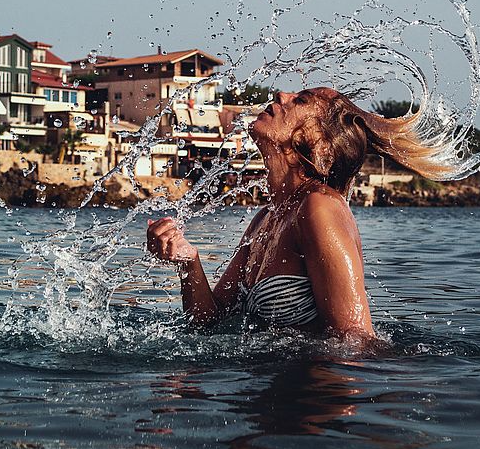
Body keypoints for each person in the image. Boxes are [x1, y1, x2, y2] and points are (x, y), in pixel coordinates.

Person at [147, 87, 452, 340]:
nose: (281, 95)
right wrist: (188, 261)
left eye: (301, 101)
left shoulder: (320, 208)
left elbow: (355, 341)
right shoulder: (266, 219)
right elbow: (207, 321)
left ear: (319, 146)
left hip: (312, 402)